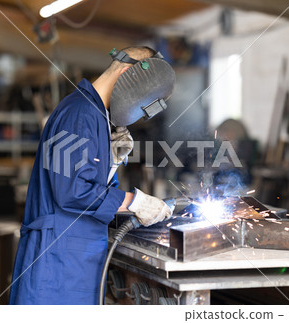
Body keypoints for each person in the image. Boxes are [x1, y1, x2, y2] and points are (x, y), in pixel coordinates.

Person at [9, 46, 176, 305]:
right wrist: (135, 201)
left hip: (73, 260)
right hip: (56, 264)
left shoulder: (96, 117)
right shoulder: (79, 114)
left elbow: (90, 187)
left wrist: (111, 162)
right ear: (127, 73)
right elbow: (70, 190)